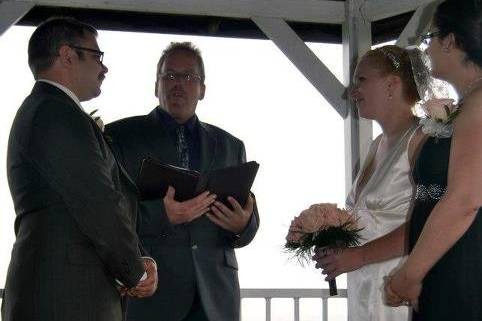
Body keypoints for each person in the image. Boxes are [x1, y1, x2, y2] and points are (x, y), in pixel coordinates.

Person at [1, 17, 157, 321]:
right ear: (67, 55)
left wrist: (138, 258)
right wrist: (136, 272)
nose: (104, 68)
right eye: (97, 56)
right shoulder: (55, 113)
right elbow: (98, 202)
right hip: (64, 298)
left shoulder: (49, 110)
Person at [105, 41, 260, 321]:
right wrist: (160, 215)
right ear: (156, 85)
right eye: (170, 75)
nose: (179, 83)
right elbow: (108, 213)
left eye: (189, 76)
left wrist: (242, 225)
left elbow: (250, 218)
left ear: (202, 89)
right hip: (151, 293)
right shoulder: (121, 137)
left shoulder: (231, 145)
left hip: (216, 297)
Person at [313, 45, 426, 321]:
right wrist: (338, 244)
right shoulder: (376, 145)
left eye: (361, 80)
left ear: (392, 84)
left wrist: (360, 255)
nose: (352, 92)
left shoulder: (421, 139)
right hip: (365, 286)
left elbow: (428, 221)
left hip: (397, 286)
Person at [385, 1, 482, 320]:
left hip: (464, 267)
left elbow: (464, 200)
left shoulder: (479, 105)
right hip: (449, 263)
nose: (426, 47)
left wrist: (408, 274)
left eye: (430, 36)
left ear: (451, 41)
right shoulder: (469, 104)